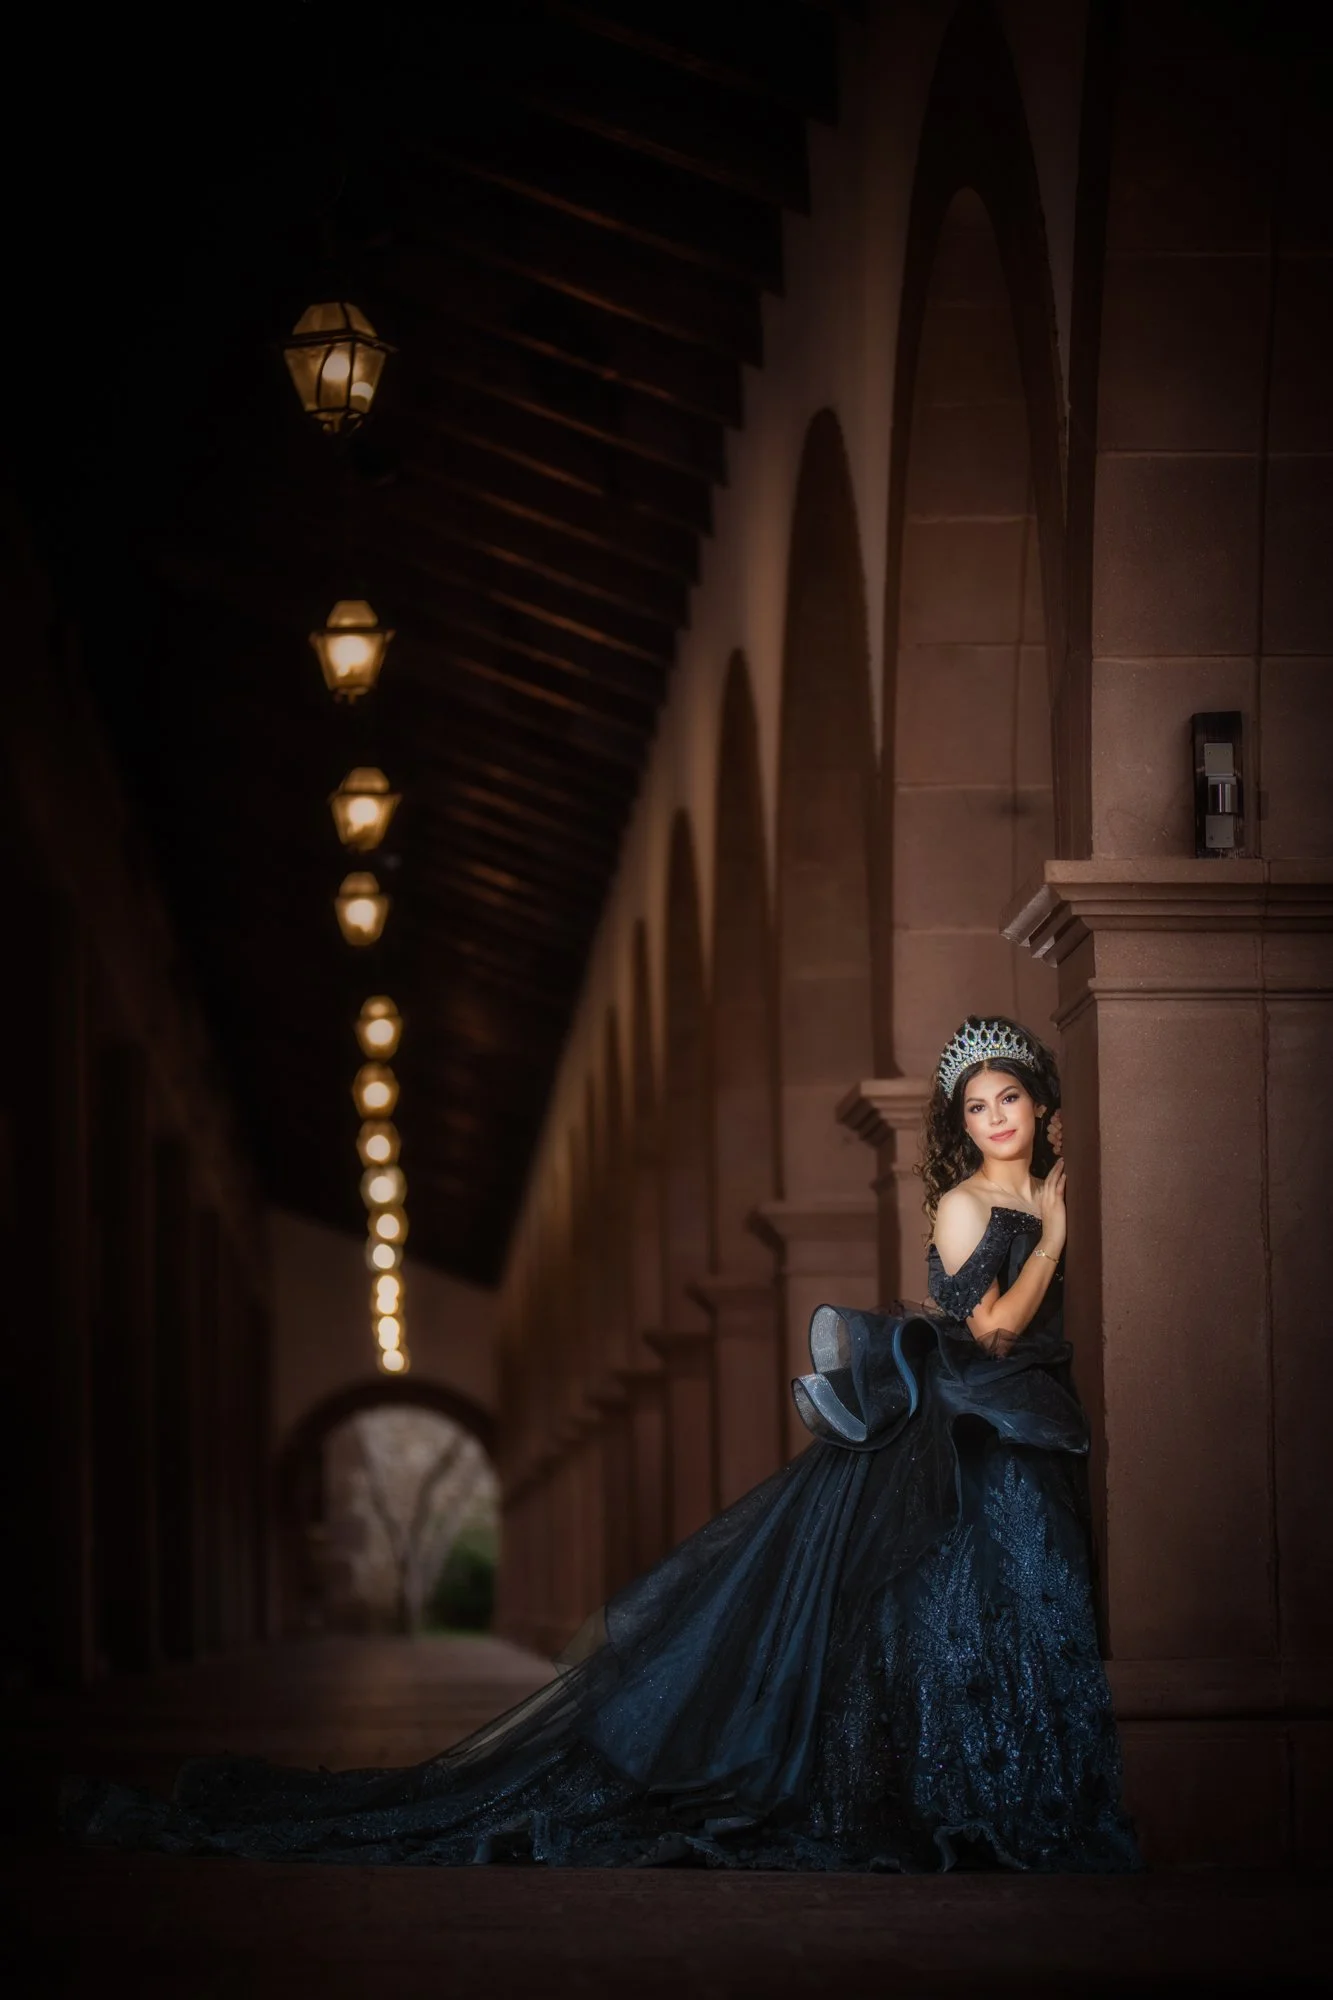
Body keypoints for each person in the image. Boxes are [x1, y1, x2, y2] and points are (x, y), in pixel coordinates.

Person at [66, 1015, 1141, 1872]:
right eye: (976, 1101)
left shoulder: (1033, 1183)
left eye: (1009, 1096)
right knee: (954, 1615)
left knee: (1021, 1614)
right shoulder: (967, 1204)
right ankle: (965, 1805)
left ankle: (1026, 1801)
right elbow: (991, 1325)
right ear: (961, 1120)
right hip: (960, 1433)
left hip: (1020, 1432)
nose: (994, 1114)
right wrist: (1051, 1237)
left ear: (1043, 1106)